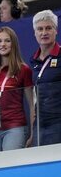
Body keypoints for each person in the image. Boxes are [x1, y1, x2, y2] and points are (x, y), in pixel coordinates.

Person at [0, 26, 35, 153]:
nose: (3, 44)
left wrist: (33, 133)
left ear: (13, 44)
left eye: (7, 41)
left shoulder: (23, 69)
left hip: (14, 128)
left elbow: (32, 104)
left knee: (12, 169)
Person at [30, 10, 61, 146]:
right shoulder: (33, 60)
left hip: (58, 122)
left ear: (56, 31)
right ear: (34, 33)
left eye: (48, 28)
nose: (44, 33)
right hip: (40, 123)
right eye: (40, 29)